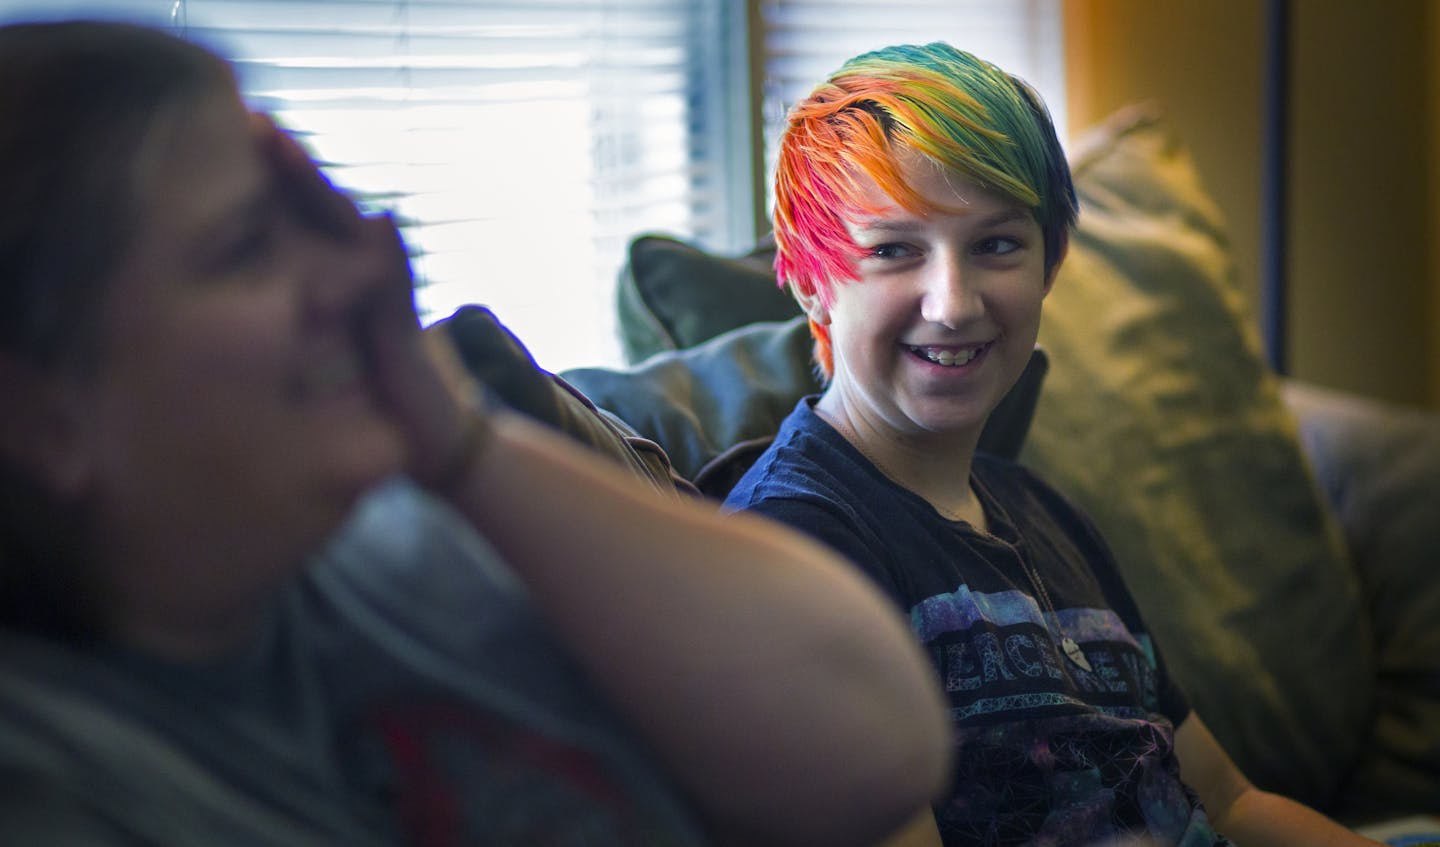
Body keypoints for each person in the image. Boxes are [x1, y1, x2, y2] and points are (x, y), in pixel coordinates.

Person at [0, 20, 953, 846]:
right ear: (46, 417)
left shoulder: (417, 541)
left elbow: (882, 751)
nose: (353, 277)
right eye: (247, 248)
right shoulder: (55, 775)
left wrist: (459, 436)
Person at [724, 41, 1385, 847]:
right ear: (808, 280)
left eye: (996, 244)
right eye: (894, 250)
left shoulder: (1048, 515)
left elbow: (1234, 802)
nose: (953, 304)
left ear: (1051, 261)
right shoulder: (799, 548)